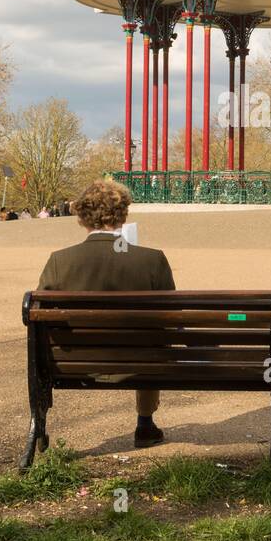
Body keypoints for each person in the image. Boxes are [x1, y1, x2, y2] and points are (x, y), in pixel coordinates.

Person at [35, 179, 175, 449]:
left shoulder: (59, 261)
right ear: (123, 215)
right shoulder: (152, 259)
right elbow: (169, 316)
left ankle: (38, 427)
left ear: (81, 217)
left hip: (74, 362)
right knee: (152, 337)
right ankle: (145, 423)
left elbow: (41, 317)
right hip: (141, 362)